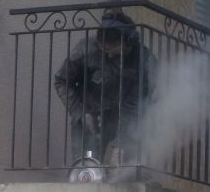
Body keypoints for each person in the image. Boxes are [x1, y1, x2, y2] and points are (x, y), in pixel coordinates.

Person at [53, 9, 156, 167]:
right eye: (103, 47)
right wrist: (80, 112)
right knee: (86, 167)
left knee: (123, 169)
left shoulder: (143, 61)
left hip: (123, 118)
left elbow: (135, 105)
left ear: (128, 41)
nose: (107, 54)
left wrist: (121, 142)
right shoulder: (86, 50)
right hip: (87, 114)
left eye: (113, 49)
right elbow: (62, 81)